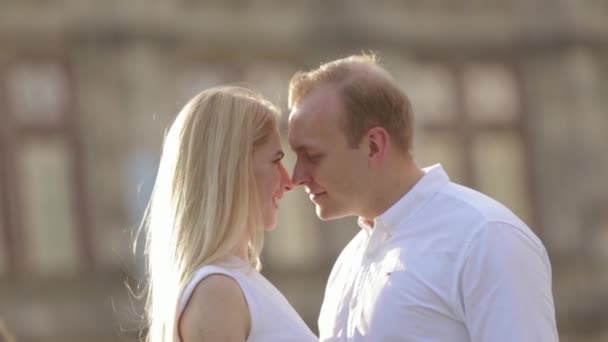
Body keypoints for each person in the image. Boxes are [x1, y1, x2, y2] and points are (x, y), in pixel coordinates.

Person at [287, 54, 559, 341]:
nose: (296, 176)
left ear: (373, 145)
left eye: (312, 156)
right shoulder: (348, 263)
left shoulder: (486, 237)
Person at [140, 86, 318, 342]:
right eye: (275, 160)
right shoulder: (217, 291)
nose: (288, 180)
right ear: (233, 169)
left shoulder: (235, 282)